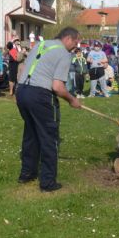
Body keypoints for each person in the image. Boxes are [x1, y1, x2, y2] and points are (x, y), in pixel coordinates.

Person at [16, 27, 82, 192]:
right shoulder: (64, 55)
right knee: (49, 137)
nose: (76, 46)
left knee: (31, 134)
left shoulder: (40, 44)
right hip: (40, 96)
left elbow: (23, 68)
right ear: (68, 38)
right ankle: (47, 182)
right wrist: (72, 100)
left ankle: (27, 174)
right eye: (75, 42)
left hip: (22, 91)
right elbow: (58, 87)